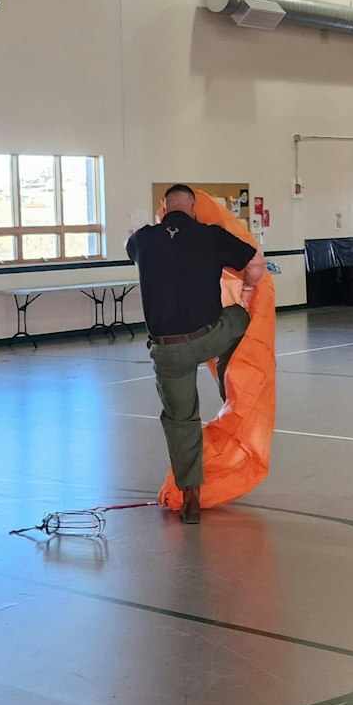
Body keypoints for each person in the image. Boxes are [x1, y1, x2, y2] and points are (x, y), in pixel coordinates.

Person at [127, 185, 266, 524]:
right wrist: (247, 290)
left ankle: (190, 496)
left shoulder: (143, 239)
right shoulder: (210, 235)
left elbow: (137, 246)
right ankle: (229, 385)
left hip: (167, 350)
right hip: (208, 338)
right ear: (193, 208)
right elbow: (255, 263)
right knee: (241, 318)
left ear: (164, 209)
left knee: (181, 421)